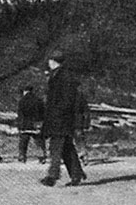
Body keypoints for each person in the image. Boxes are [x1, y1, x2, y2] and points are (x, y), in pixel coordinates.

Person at [40, 54, 87, 187]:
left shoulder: (63, 76)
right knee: (66, 147)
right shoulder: (58, 75)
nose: (48, 63)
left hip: (61, 118)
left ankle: (52, 176)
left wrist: (57, 113)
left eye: (49, 60)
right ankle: (76, 174)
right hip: (58, 118)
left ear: (53, 61)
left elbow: (67, 100)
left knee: (56, 147)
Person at [17, 85, 46, 164]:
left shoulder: (22, 101)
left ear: (25, 91)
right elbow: (43, 112)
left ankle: (22, 156)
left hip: (25, 123)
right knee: (39, 140)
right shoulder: (38, 100)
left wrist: (19, 124)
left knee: (23, 141)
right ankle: (41, 156)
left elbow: (20, 114)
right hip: (36, 123)